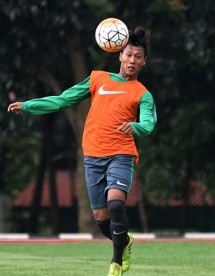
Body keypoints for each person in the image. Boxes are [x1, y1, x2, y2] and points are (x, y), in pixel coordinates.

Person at [8, 27, 156, 276]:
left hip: (121, 154)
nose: (132, 60)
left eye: (138, 57)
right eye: (129, 54)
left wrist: (136, 126)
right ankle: (126, 241)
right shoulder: (98, 79)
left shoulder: (143, 94)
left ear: (144, 61)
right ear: (120, 55)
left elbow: (149, 124)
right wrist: (29, 106)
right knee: (101, 220)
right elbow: (64, 99)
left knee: (116, 204)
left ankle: (116, 262)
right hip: (93, 157)